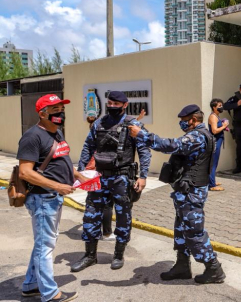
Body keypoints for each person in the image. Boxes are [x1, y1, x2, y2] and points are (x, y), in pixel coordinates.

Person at [128, 104, 226, 284]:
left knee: (194, 231)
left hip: (192, 192)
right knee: (181, 228)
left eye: (183, 121)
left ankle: (214, 269)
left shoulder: (198, 136)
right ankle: (182, 265)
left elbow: (171, 145)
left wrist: (142, 135)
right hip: (185, 191)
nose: (181, 124)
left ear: (193, 120)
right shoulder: (198, 134)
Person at [71, 91, 151, 272]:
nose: (113, 106)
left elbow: (144, 150)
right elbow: (88, 146)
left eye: (117, 103)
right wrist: (82, 171)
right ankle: (90, 256)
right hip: (99, 177)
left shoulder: (133, 124)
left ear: (125, 104)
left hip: (122, 177)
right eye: (110, 103)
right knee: (91, 214)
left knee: (123, 216)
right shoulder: (99, 123)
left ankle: (118, 254)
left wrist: (143, 176)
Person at [17, 94, 86, 302]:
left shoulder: (57, 133)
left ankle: (30, 285)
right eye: (54, 109)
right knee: (45, 246)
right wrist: (57, 185)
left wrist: (77, 174)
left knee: (43, 243)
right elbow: (25, 173)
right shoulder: (32, 137)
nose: (59, 112)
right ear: (42, 113)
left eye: (61, 108)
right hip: (43, 198)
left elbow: (60, 158)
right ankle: (49, 293)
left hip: (53, 197)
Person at [85, 116, 116, 241]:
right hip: (102, 174)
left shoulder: (93, 142)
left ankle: (96, 230)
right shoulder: (103, 145)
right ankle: (107, 233)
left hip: (94, 175)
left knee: (94, 203)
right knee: (108, 204)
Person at [208, 98, 228, 191]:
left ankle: (212, 180)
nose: (221, 107)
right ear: (214, 107)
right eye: (219, 106)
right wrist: (224, 126)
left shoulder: (216, 116)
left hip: (218, 141)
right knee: (213, 163)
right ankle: (211, 185)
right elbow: (214, 130)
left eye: (221, 105)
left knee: (214, 163)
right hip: (215, 142)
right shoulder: (213, 117)